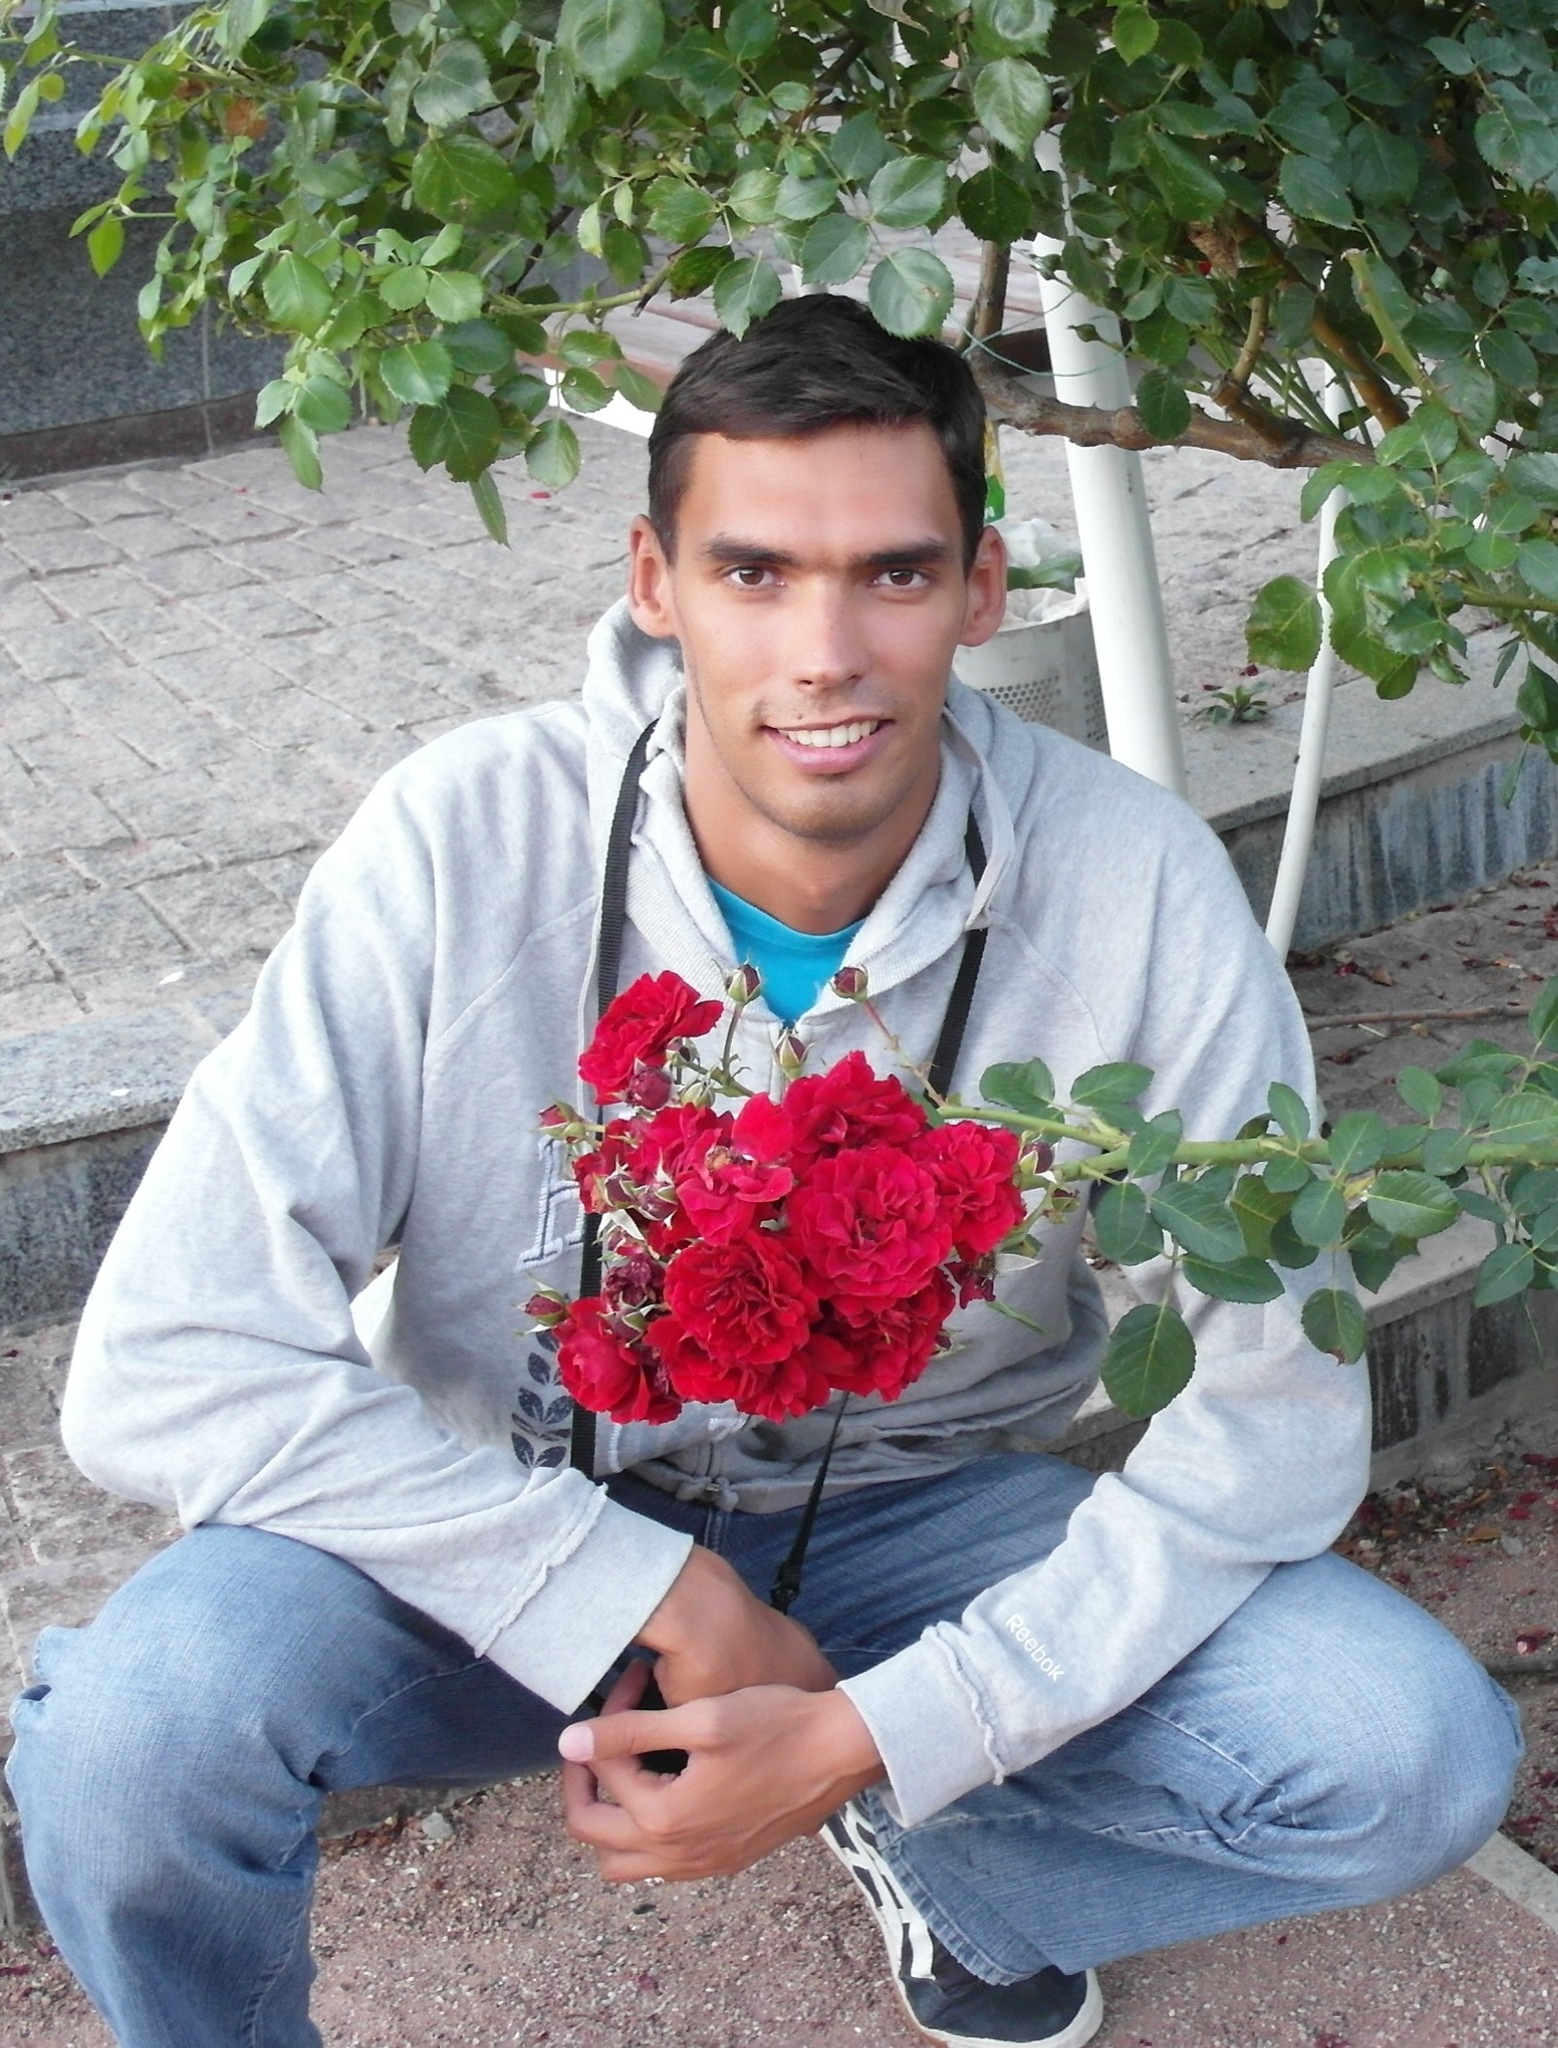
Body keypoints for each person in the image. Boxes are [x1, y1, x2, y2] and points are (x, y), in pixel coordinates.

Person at [7, 295, 1520, 2048]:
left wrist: (893, 1731)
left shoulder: (1134, 880)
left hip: (921, 1524)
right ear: (653, 582)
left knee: (1402, 1753)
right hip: (497, 1507)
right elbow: (168, 1355)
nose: (825, 652)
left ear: (979, 590)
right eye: (753, 574)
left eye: (892, 574)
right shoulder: (459, 837)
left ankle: (958, 1871)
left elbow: (1271, 1414)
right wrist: (633, 1586)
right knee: (132, 1737)